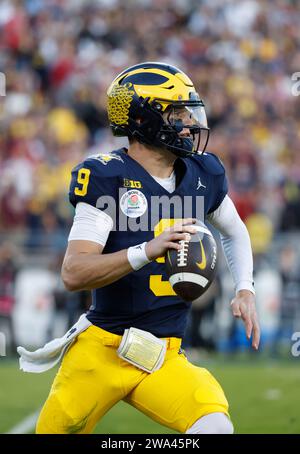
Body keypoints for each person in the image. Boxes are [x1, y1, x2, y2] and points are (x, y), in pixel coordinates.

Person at [35, 62, 260, 434]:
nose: (189, 122)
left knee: (216, 427)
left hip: (163, 354)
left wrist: (245, 288)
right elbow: (74, 273)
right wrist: (146, 250)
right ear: (143, 119)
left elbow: (235, 232)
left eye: (189, 111)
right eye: (177, 112)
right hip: (100, 350)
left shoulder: (202, 174)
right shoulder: (107, 176)